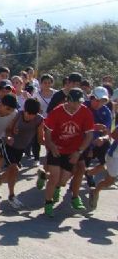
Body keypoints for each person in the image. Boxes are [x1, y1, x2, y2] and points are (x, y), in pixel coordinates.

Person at [41, 88, 94, 217]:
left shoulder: (85, 112)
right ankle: (48, 204)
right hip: (57, 149)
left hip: (72, 151)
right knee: (54, 177)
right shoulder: (57, 111)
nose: (77, 105)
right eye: (74, 102)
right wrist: (51, 145)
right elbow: (47, 131)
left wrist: (78, 152)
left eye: (79, 102)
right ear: (68, 100)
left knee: (63, 180)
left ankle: (47, 180)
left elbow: (89, 135)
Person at [0, 98, 44, 208]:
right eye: (28, 113)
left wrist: (51, 144)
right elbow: (7, 129)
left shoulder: (39, 120)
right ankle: (11, 196)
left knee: (11, 171)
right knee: (14, 168)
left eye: (32, 114)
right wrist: (10, 135)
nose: (29, 116)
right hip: (8, 145)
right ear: (24, 110)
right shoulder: (17, 116)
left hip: (20, 148)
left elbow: (40, 139)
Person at [84, 87, 113, 187]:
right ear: (91, 98)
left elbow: (107, 132)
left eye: (102, 101)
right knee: (78, 168)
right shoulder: (82, 107)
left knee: (108, 162)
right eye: (96, 100)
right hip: (83, 142)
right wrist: (94, 127)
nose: (98, 103)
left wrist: (103, 138)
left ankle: (89, 173)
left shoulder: (107, 112)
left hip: (98, 141)